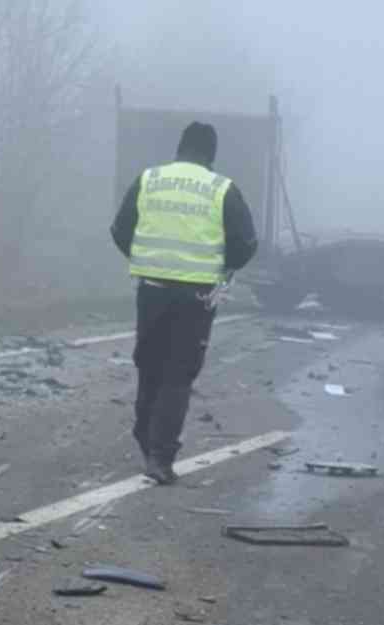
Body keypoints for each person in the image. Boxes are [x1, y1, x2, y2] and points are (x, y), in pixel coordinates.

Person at [110, 122, 258, 485]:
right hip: (197, 295)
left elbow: (120, 229)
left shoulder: (149, 179)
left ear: (180, 148)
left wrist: (145, 257)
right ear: (211, 154)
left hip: (152, 288)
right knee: (178, 373)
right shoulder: (221, 189)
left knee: (150, 362)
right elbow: (245, 243)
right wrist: (225, 265)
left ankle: (145, 433)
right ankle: (160, 457)